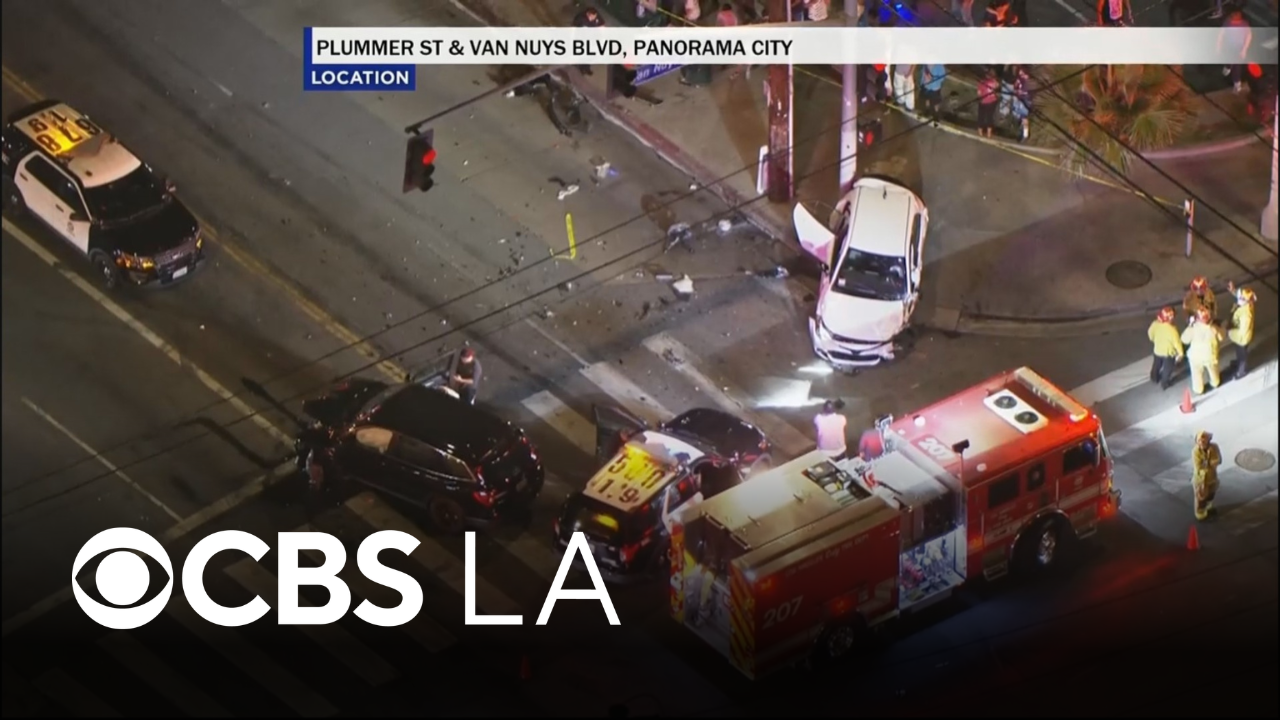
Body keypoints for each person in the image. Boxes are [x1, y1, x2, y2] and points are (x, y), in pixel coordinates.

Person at [1181, 308, 1224, 395]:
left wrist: (1190, 325)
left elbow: (1184, 339)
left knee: (1196, 374)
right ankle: (1215, 383)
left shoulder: (1193, 329)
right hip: (1210, 356)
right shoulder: (1213, 328)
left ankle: (1198, 389)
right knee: (1213, 370)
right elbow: (1221, 337)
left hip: (1195, 357)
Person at [1148, 306, 1184, 391]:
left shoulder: (1155, 324)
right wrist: (1181, 353)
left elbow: (1150, 334)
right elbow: (1177, 343)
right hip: (1168, 353)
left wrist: (1154, 340)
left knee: (1156, 365)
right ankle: (1165, 383)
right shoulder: (1172, 330)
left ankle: (1154, 377)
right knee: (1167, 369)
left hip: (1157, 350)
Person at [1217, 9, 1252, 94]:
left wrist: (1244, 50)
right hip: (1229, 46)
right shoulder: (1228, 22)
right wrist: (1218, 45)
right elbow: (1221, 33)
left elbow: (1249, 36)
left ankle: (1237, 84)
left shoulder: (1244, 25)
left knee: (1237, 66)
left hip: (1239, 48)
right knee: (1229, 59)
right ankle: (1228, 66)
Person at [1226, 283, 1256, 380]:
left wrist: (1230, 332)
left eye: (1240, 298)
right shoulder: (1247, 304)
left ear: (1243, 300)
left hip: (1242, 339)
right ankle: (1238, 361)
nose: (1238, 298)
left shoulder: (1246, 315)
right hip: (1240, 336)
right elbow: (1239, 295)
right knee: (1240, 352)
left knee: (1242, 354)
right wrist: (1233, 290)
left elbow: (1242, 332)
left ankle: (1241, 371)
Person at [1191, 430, 1222, 521]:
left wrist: (1208, 462)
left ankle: (1208, 508)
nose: (1201, 443)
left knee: (1211, 494)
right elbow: (1199, 466)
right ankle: (1200, 514)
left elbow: (1218, 460)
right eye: (1199, 441)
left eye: (1203, 441)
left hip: (1212, 477)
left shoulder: (1214, 447)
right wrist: (1209, 462)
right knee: (1201, 498)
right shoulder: (1196, 451)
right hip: (1201, 479)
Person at [572, 7, 604, 75]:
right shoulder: (580, 18)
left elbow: (602, 24)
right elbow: (574, 27)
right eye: (592, 17)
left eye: (595, 17)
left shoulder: (597, 17)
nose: (594, 19)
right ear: (588, 14)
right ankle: (579, 68)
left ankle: (587, 68)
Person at [976, 67, 1000, 138]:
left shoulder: (982, 82)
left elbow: (979, 93)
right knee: (990, 117)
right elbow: (997, 88)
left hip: (984, 101)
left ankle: (980, 131)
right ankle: (989, 133)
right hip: (992, 101)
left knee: (981, 116)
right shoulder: (995, 83)